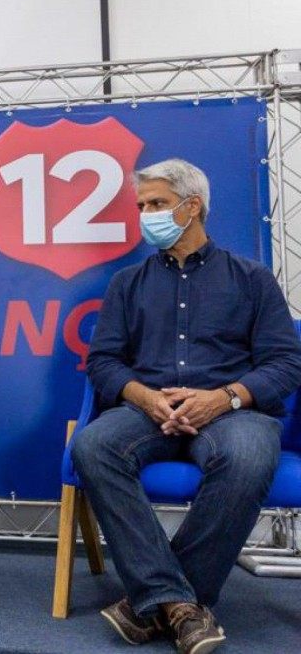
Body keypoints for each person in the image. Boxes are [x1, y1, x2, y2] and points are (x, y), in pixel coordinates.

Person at [72, 159, 301, 654]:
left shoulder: (252, 279)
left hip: (232, 411)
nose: (146, 215)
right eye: (142, 206)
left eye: (155, 204)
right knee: (91, 446)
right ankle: (181, 606)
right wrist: (145, 397)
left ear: (191, 206)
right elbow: (104, 362)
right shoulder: (127, 284)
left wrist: (224, 397)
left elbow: (285, 363)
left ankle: (157, 601)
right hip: (146, 412)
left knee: (248, 456)